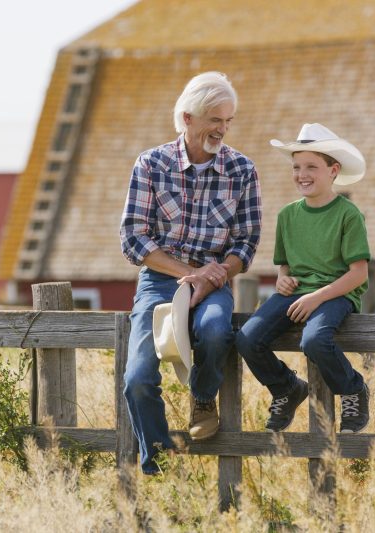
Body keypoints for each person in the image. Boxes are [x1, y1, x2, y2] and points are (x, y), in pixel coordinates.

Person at [119, 71, 262, 474]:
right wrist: (189, 273)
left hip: (214, 282)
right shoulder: (151, 164)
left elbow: (246, 245)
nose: (223, 129)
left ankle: (202, 397)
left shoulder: (242, 170)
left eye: (228, 120)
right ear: (187, 118)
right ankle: (160, 463)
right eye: (215, 119)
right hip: (160, 279)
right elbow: (134, 239)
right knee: (137, 378)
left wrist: (211, 277)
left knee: (217, 330)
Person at [235, 123, 370, 434]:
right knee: (247, 338)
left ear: (333, 170)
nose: (302, 174)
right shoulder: (287, 216)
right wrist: (282, 279)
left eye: (312, 166)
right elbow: (284, 266)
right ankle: (286, 388)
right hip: (295, 294)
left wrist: (316, 297)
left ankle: (352, 389)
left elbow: (358, 273)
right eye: (296, 167)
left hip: (336, 294)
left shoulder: (349, 215)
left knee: (314, 340)